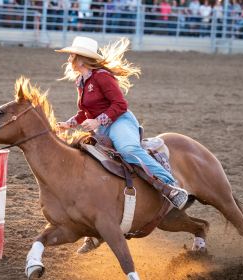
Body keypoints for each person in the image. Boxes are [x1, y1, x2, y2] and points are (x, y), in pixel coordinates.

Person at [55, 36, 189, 254]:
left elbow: (120, 104)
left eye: (72, 54)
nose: (69, 57)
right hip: (102, 127)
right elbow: (84, 111)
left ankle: (170, 186)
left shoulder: (102, 77)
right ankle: (96, 230)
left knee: (128, 150)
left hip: (120, 121)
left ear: (81, 59)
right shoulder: (81, 81)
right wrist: (68, 124)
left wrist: (98, 121)